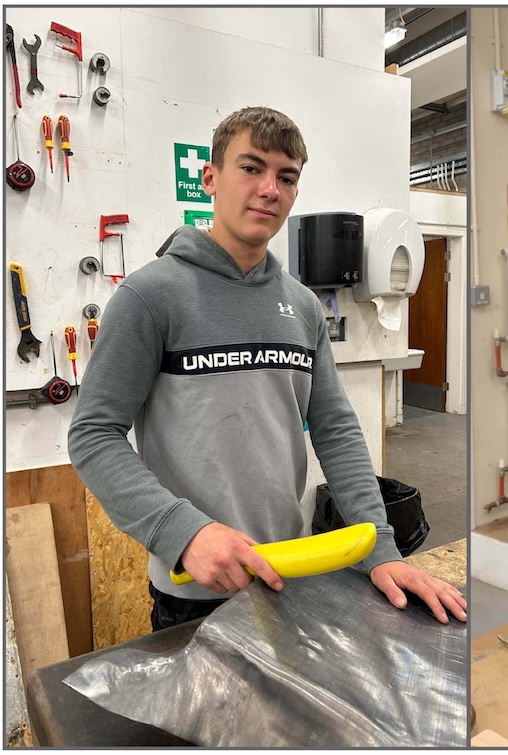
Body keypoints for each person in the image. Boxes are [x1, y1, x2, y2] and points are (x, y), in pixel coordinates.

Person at [68, 106, 467, 632]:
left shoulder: (302, 306)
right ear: (210, 178)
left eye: (286, 177)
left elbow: (336, 430)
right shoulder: (150, 296)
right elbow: (94, 435)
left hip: (290, 574)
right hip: (197, 586)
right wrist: (184, 534)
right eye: (251, 168)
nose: (269, 189)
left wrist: (382, 548)